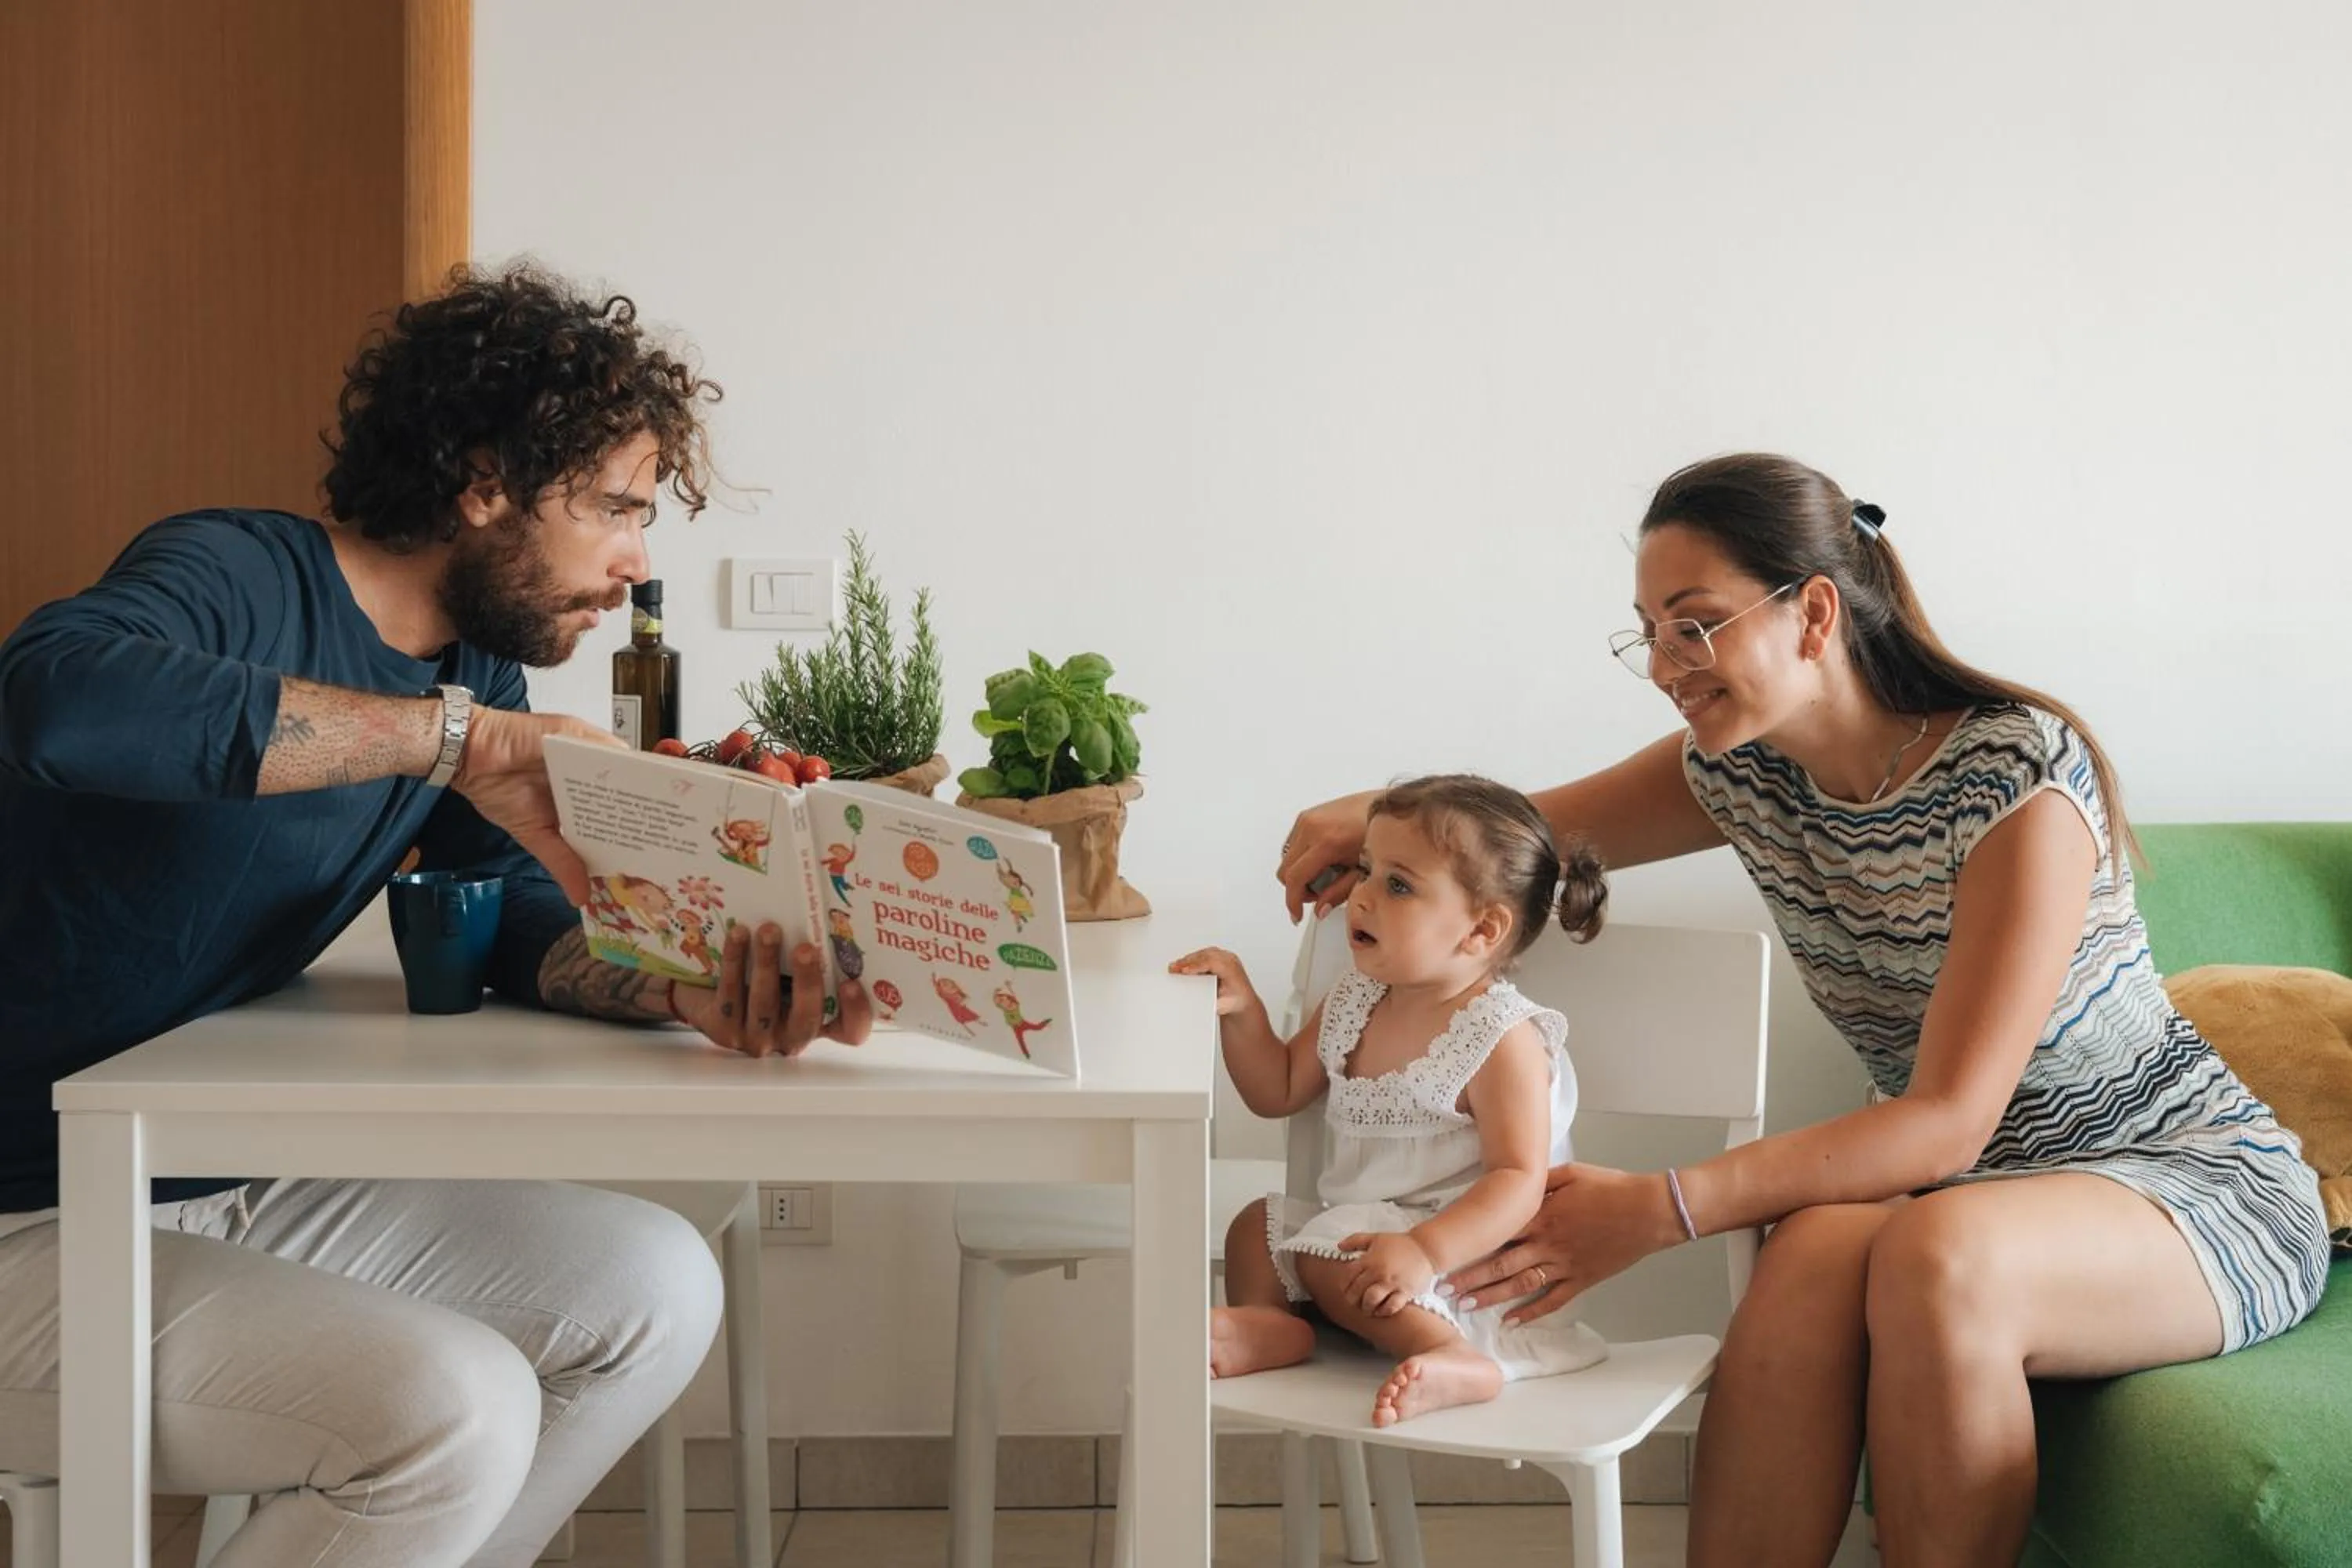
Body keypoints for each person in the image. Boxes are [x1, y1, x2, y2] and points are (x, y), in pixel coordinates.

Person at [1276, 454, 2332, 1566]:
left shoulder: (2016, 777)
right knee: (1811, 1252)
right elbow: (1515, 839)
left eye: (1695, 626)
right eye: (1649, 633)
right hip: (1956, 1193)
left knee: (1935, 1253)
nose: (1665, 667)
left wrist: (1664, 1206)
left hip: (2182, 1179)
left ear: (1815, 612)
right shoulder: (1744, 770)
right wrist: (1371, 819)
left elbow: (1948, 1121)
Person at [0, 263, 871, 1566]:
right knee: (454, 1411)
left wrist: (676, 987)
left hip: (210, 1171)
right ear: (483, 483)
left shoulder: (473, 668)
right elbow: (59, 703)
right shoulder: (238, 572)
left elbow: (504, 904)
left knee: (651, 1287)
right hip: (27, 1203)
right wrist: (451, 741)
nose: (637, 564)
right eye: (615, 509)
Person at [1173, 775, 1610, 1427]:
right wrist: (1242, 1011)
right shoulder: (1358, 998)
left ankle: (1455, 1355)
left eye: (1398, 885)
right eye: (1367, 869)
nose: (1362, 897)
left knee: (1336, 1255)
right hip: (1367, 1240)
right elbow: (1278, 1089)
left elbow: (1519, 1180)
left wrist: (1426, 1251)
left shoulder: (1501, 1037)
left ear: (1481, 929)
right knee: (1255, 1226)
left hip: (1470, 1265)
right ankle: (1270, 1322)